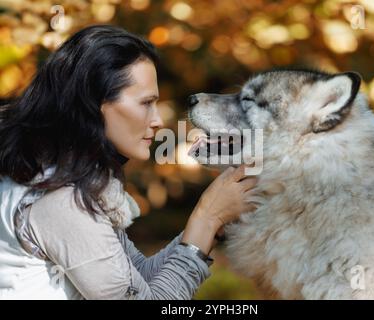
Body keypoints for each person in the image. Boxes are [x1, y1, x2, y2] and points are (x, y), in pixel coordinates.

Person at [0, 25, 258, 300]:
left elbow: (140, 280)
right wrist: (208, 217)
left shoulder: (53, 173)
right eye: (146, 103)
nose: (158, 120)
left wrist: (215, 221)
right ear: (94, 104)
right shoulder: (60, 199)